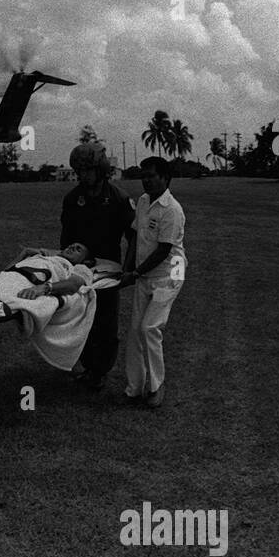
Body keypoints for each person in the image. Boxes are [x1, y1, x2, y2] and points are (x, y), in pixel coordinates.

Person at [60, 142, 135, 390]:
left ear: (101, 169)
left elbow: (132, 237)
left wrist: (127, 269)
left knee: (105, 320)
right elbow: (66, 237)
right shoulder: (72, 199)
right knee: (81, 317)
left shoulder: (119, 199)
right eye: (79, 170)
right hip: (81, 269)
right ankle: (87, 366)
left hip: (109, 269)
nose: (82, 175)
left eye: (87, 170)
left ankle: (100, 370)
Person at [119, 156, 186, 408]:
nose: (146, 180)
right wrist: (127, 270)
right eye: (143, 175)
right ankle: (134, 388)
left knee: (150, 328)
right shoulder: (144, 202)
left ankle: (157, 386)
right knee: (136, 331)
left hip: (169, 274)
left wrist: (134, 274)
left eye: (151, 175)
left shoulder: (172, 209)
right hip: (144, 274)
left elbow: (163, 250)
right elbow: (135, 237)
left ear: (165, 179)